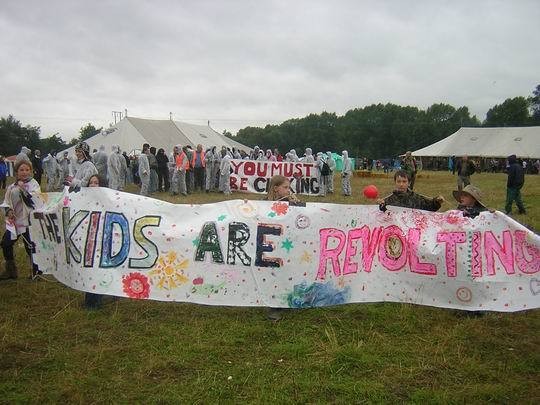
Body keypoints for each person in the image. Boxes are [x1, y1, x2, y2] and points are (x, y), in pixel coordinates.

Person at [265, 175, 302, 320]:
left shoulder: (291, 202)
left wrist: (297, 204)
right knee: (273, 275)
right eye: (285, 187)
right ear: (275, 188)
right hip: (270, 246)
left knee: (287, 272)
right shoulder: (263, 204)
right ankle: (274, 306)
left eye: (289, 187)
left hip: (287, 245)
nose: (288, 190)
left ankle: (286, 300)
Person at [0, 160, 41, 280]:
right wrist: (8, 211)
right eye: (21, 170)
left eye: (27, 169)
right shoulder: (12, 186)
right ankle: (11, 271)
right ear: (17, 172)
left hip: (28, 222)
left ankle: (36, 272)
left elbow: (34, 201)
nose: (24, 172)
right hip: (15, 222)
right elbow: (6, 202)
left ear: (31, 171)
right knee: (6, 243)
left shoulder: (34, 185)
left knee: (30, 247)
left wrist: (24, 189)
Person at [83, 174, 106, 309]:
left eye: (96, 183)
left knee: (97, 269)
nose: (92, 185)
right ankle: (90, 299)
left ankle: (95, 299)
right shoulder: (82, 200)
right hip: (88, 241)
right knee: (89, 269)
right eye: (91, 183)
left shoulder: (108, 200)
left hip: (102, 242)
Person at [378, 170, 444, 211]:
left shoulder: (416, 198)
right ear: (395, 182)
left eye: (404, 181)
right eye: (398, 181)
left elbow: (430, 207)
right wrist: (382, 205)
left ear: (409, 183)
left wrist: (437, 202)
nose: (401, 184)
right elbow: (383, 213)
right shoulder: (389, 200)